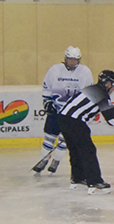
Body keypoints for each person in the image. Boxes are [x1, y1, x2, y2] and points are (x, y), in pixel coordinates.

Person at [57, 70, 114, 194]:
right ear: (107, 84)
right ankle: (95, 182)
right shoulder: (101, 94)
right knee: (88, 150)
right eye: (113, 84)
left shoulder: (90, 88)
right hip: (75, 122)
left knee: (75, 150)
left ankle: (78, 179)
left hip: (63, 119)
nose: (113, 88)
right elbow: (111, 119)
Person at [33, 46, 93, 174]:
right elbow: (47, 87)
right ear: (65, 58)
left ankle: (56, 161)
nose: (72, 62)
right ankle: (43, 160)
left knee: (64, 139)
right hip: (56, 110)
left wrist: (85, 109)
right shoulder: (55, 70)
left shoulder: (85, 72)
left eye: (75, 60)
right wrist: (47, 101)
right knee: (49, 136)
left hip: (73, 113)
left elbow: (88, 92)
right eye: (70, 59)